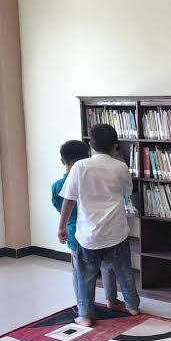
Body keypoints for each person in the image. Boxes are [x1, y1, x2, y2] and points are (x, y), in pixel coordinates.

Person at [57, 124, 140, 327]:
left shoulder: (80, 167)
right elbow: (127, 191)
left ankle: (85, 315)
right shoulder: (120, 167)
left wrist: (61, 227)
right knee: (124, 272)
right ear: (115, 146)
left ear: (91, 145)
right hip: (116, 232)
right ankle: (132, 306)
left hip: (88, 234)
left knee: (85, 276)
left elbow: (69, 199)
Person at [51, 140, 125, 312]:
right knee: (107, 267)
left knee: (80, 272)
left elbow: (58, 206)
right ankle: (111, 300)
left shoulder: (57, 186)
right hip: (99, 228)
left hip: (74, 233)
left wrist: (63, 226)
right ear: (88, 156)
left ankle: (82, 306)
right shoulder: (93, 178)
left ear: (62, 161)